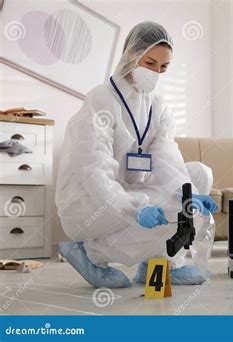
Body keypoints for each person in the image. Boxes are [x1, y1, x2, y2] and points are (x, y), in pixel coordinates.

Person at [55, 22, 217, 288]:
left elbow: (166, 158)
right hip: (88, 201)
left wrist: (186, 191)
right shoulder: (101, 99)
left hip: (130, 187)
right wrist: (136, 206)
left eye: (163, 67)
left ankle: (163, 262)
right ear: (132, 54)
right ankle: (88, 253)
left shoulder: (157, 107)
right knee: (167, 204)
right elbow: (94, 172)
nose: (156, 72)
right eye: (150, 63)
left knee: (198, 175)